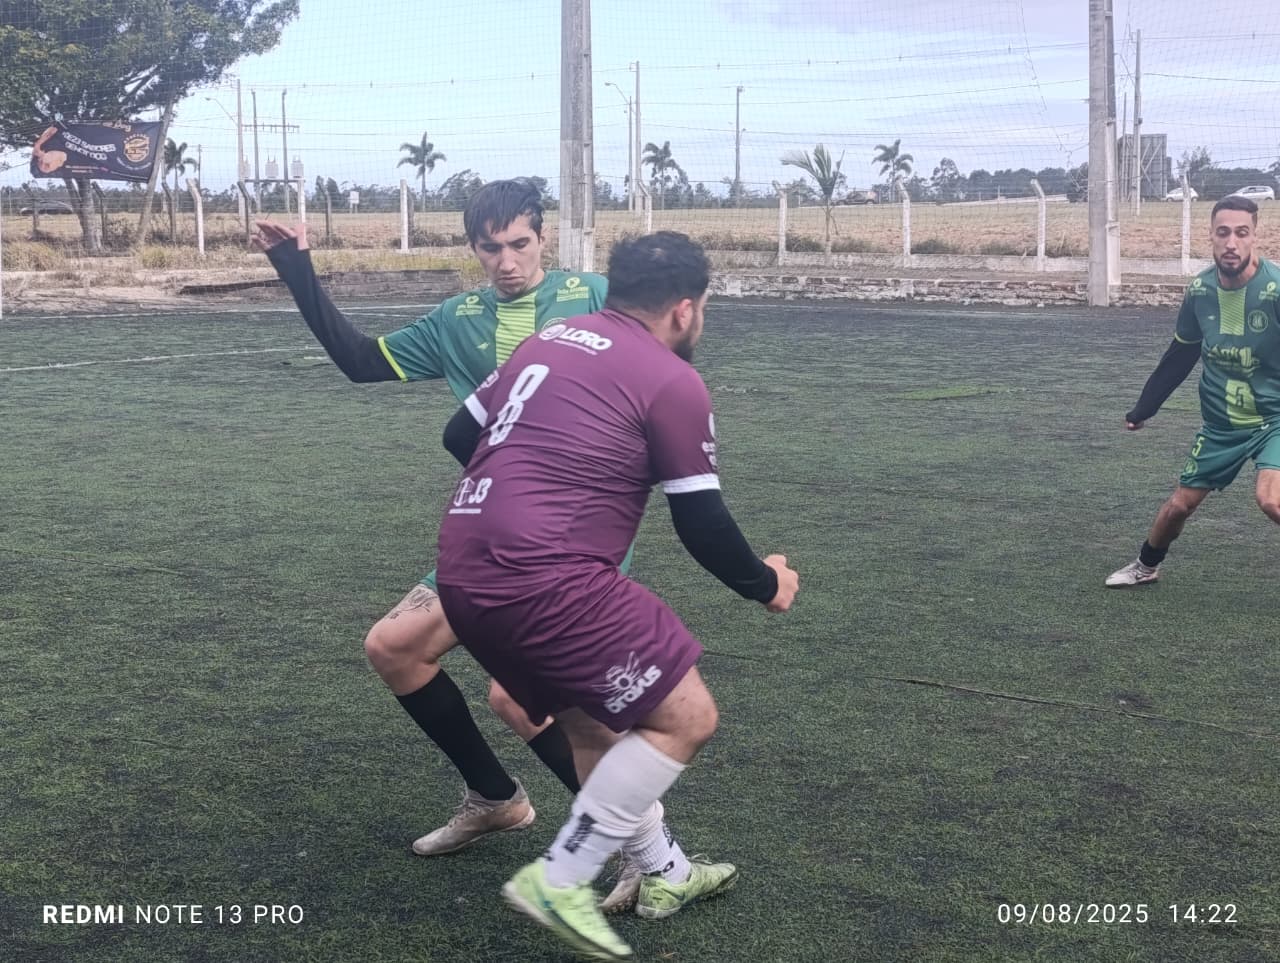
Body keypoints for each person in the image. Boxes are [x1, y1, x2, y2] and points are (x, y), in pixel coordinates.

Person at [251, 181, 644, 904]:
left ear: (543, 239)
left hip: (576, 539)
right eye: (491, 248)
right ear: (473, 249)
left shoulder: (595, 297)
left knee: (521, 698)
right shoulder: (456, 318)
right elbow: (359, 360)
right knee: (394, 647)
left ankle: (642, 852)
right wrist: (296, 268)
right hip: (492, 532)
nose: (507, 261)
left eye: (520, 244)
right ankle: (495, 797)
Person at [435, 231, 800, 959]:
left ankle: (666, 871)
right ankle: (561, 878)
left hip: (462, 568)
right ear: (686, 309)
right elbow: (702, 524)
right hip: (549, 575)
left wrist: (541, 477)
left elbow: (457, 434)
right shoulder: (672, 378)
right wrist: (767, 584)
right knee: (687, 717)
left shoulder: (547, 339)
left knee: (590, 730)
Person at [1107, 194, 1280, 587]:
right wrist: (1144, 408)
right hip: (1221, 427)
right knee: (1178, 507)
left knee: (1271, 499)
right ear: (1211, 236)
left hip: (1274, 420)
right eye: (1223, 232)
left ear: (1255, 236)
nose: (1231, 243)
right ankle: (1145, 566)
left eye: (1241, 233)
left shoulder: (1275, 288)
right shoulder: (1200, 290)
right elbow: (1182, 352)